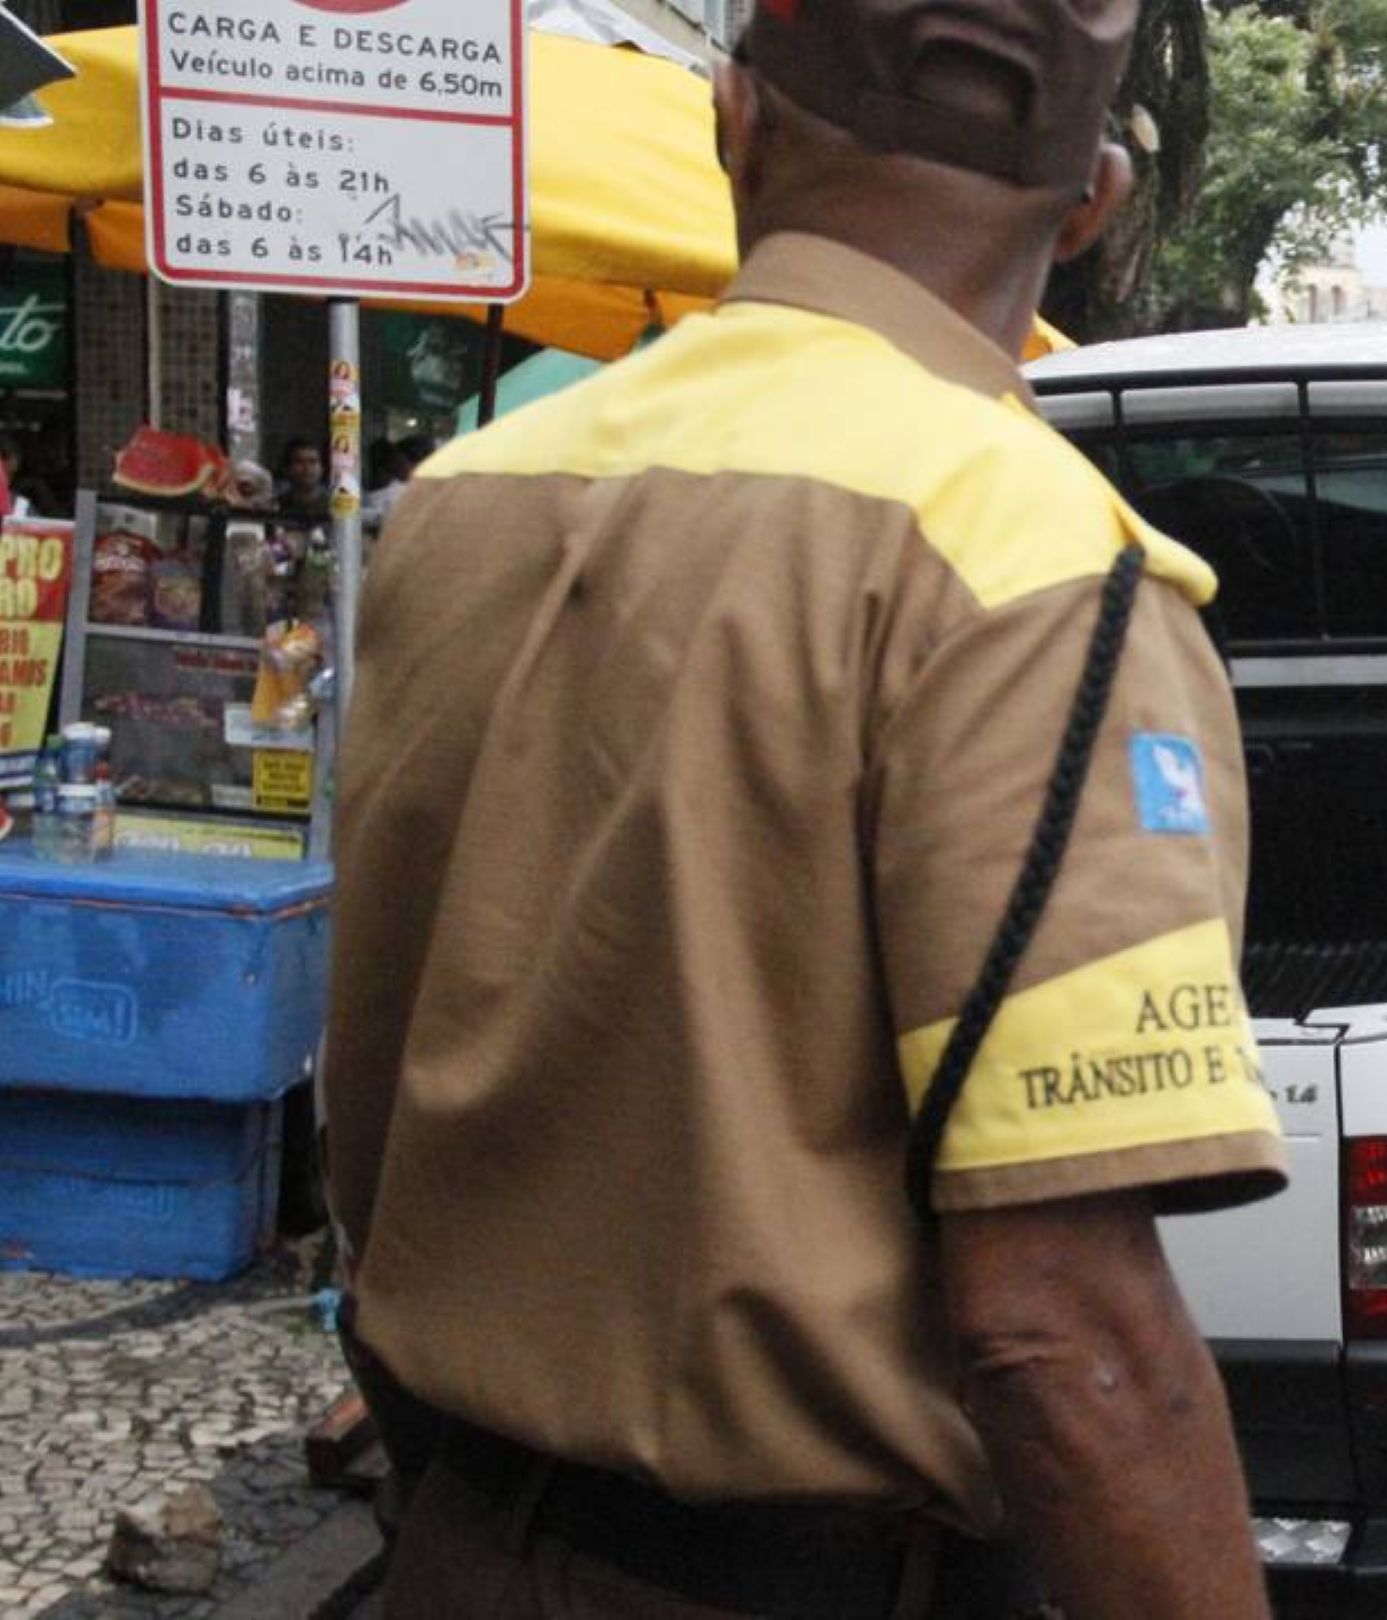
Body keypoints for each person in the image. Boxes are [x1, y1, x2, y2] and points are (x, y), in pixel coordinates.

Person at [323, 2, 1289, 1616]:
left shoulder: (464, 501)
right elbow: (1062, 1323)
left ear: (735, 121)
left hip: (457, 1547)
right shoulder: (1022, 561)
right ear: (1093, 206)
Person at [274, 436, 327, 512]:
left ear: (322, 468)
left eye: (313, 461)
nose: (307, 467)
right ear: (287, 468)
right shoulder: (276, 505)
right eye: (299, 461)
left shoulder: (336, 504)